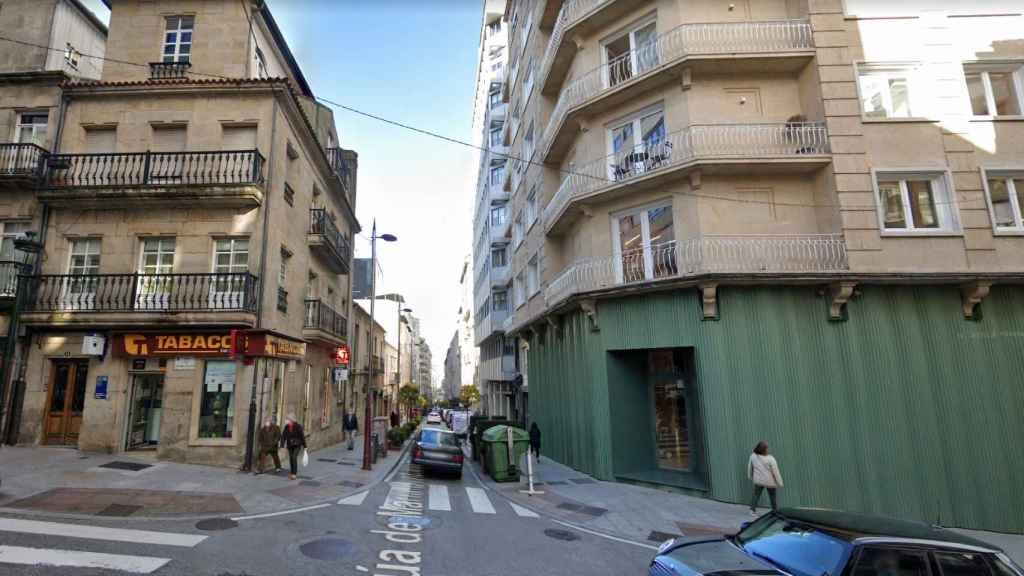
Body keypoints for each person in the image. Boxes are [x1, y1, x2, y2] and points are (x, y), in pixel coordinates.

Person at [748, 440, 783, 515]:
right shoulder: (771, 459)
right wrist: (780, 482)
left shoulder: (753, 456)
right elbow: (776, 472)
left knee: (756, 495)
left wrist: (750, 476)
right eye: (767, 448)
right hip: (769, 481)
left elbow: (750, 467)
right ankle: (775, 512)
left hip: (758, 480)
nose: (768, 449)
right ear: (764, 449)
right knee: (772, 496)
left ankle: (752, 510)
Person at [280, 414, 306, 480]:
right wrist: (282, 445)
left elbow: (302, 436)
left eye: (287, 419)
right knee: (291, 458)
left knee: (294, 457)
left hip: (297, 445)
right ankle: (292, 472)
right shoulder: (286, 427)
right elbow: (283, 436)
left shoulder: (298, 426)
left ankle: (294, 473)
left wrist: (305, 446)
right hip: (290, 445)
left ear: (291, 420)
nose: (286, 421)